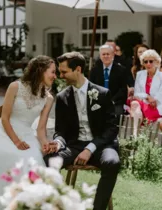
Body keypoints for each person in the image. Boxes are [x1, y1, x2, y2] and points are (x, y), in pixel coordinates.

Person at [0, 55, 56, 209]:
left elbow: (41, 129)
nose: (55, 76)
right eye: (52, 72)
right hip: (4, 132)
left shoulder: (48, 98)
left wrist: (45, 144)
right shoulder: (15, 86)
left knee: (31, 160)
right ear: (40, 71)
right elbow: (4, 118)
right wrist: (16, 142)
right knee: (3, 156)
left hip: (27, 134)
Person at [44, 52, 120, 210]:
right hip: (74, 146)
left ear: (78, 69)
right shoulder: (62, 97)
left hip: (101, 145)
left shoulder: (103, 94)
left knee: (112, 162)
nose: (61, 75)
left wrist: (90, 149)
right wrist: (57, 143)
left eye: (64, 71)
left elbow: (111, 128)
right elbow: (60, 131)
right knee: (48, 162)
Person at [130, 49, 162, 123]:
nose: (148, 64)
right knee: (134, 104)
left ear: (156, 62)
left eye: (151, 61)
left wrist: (153, 100)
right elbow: (136, 93)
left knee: (138, 110)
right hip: (143, 102)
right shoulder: (140, 74)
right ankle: (135, 133)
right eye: (145, 61)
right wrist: (147, 97)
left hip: (157, 105)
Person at [90, 45, 127, 116]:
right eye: (103, 54)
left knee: (115, 120)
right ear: (100, 56)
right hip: (99, 101)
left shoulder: (121, 70)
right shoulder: (94, 70)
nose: (106, 56)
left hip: (116, 102)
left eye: (108, 54)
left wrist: (112, 100)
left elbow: (123, 89)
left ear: (113, 55)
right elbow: (91, 87)